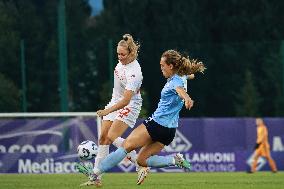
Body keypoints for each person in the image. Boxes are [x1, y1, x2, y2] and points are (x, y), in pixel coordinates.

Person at [80, 49, 205, 186]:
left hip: (156, 125)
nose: (161, 68)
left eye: (163, 65)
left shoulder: (176, 82)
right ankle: (175, 160)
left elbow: (180, 91)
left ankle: (95, 173)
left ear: (171, 66)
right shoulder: (181, 77)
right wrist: (189, 76)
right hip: (169, 132)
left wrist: (187, 98)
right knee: (141, 160)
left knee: (126, 147)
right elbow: (186, 78)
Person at [76, 34, 147, 186]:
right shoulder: (121, 63)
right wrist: (109, 108)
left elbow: (126, 100)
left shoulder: (134, 72)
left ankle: (139, 163)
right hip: (115, 101)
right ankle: (97, 178)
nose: (120, 57)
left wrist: (107, 111)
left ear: (131, 54)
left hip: (130, 105)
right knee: (103, 138)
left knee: (112, 136)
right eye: (118, 54)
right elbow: (118, 95)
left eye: (123, 54)